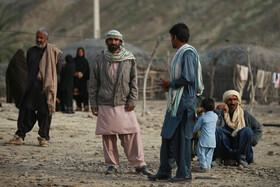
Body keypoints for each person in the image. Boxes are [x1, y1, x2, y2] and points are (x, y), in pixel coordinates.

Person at [89, 30, 151, 176]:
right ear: (106, 42)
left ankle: (139, 165)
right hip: (105, 102)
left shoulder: (129, 59)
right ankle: (112, 165)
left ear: (121, 42)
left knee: (131, 134)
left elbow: (134, 81)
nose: (113, 42)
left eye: (116, 40)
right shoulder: (99, 59)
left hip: (124, 103)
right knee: (108, 136)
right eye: (110, 40)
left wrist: (132, 99)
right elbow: (93, 84)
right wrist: (93, 103)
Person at [148, 23, 204, 182]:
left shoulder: (188, 54)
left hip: (184, 104)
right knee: (167, 135)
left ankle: (184, 173)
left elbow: (188, 78)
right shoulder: (181, 53)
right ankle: (165, 170)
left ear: (175, 37)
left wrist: (171, 84)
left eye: (171, 38)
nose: (170, 41)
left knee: (182, 139)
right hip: (176, 103)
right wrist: (171, 87)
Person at [5, 28, 62, 147]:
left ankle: (43, 137)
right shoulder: (31, 51)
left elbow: (58, 69)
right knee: (25, 110)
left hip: (45, 88)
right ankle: (20, 136)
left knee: (45, 113)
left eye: (41, 38)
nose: (39, 40)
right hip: (31, 86)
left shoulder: (53, 51)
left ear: (47, 39)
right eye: (37, 37)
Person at [212, 90, 263, 168]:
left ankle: (242, 159)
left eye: (235, 99)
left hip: (240, 146)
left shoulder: (245, 114)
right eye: (229, 100)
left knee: (247, 130)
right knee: (217, 130)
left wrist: (251, 141)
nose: (232, 102)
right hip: (225, 146)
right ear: (225, 101)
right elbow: (212, 125)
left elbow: (259, 127)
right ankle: (218, 158)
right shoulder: (221, 113)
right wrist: (217, 110)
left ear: (238, 101)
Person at [193, 98, 217, 172]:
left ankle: (204, 167)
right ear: (214, 108)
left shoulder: (203, 117)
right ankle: (208, 167)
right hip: (212, 140)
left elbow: (197, 127)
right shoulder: (215, 116)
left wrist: (193, 132)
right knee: (209, 155)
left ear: (203, 108)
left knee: (200, 153)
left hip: (204, 139)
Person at [73, 47, 90, 112]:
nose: (80, 53)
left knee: (84, 93)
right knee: (77, 94)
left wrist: (82, 74)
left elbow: (87, 71)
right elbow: (72, 69)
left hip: (83, 80)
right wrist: (76, 74)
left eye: (81, 52)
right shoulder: (74, 60)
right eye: (79, 52)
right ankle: (78, 106)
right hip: (76, 80)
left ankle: (86, 106)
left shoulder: (85, 61)